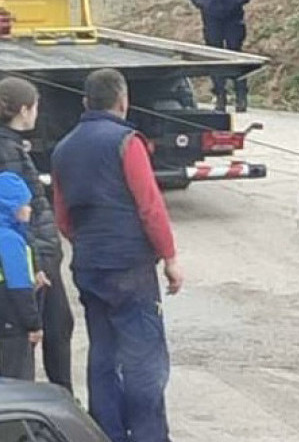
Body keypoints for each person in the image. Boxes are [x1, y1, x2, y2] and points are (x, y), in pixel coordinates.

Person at [50, 69, 183, 442]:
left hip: (89, 266)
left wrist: (90, 245)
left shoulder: (63, 149)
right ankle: (148, 435)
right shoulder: (127, 142)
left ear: (84, 103)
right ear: (123, 101)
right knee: (143, 358)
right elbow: (150, 207)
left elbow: (63, 217)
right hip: (130, 268)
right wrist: (169, 257)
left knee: (103, 354)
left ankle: (105, 433)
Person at [0, 77, 74, 394]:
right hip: (32, 256)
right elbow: (17, 213)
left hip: (34, 253)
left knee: (54, 326)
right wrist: (37, 262)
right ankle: (57, 400)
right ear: (24, 110)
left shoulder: (12, 145)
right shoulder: (8, 151)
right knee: (41, 331)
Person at [0, 172, 40, 381]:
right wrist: (33, 324)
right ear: (12, 206)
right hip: (12, 323)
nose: (29, 208)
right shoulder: (10, 239)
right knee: (17, 382)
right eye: (25, 203)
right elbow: (19, 286)